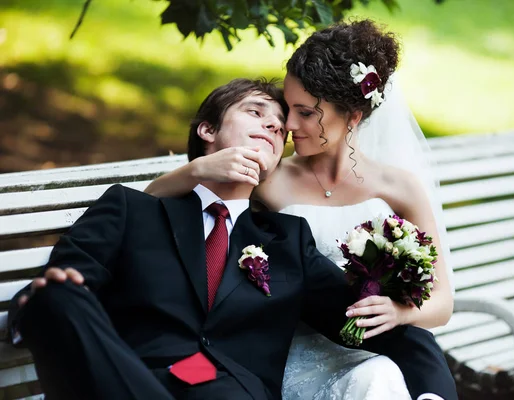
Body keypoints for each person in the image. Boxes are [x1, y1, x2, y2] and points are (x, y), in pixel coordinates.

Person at [7, 78, 457, 400]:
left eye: (280, 126)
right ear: (208, 130)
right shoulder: (133, 209)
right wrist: (51, 297)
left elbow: (366, 321)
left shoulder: (286, 241)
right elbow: (56, 288)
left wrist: (431, 388)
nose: (272, 127)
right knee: (59, 297)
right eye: (255, 112)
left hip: (232, 391)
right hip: (133, 380)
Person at [145, 20, 456, 400]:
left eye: (305, 113)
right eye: (288, 108)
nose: (287, 125)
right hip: (284, 355)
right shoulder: (268, 177)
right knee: (380, 378)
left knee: (386, 371)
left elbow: (441, 302)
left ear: (353, 116)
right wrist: (196, 169)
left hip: (370, 343)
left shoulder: (399, 188)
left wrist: (399, 312)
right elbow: (157, 200)